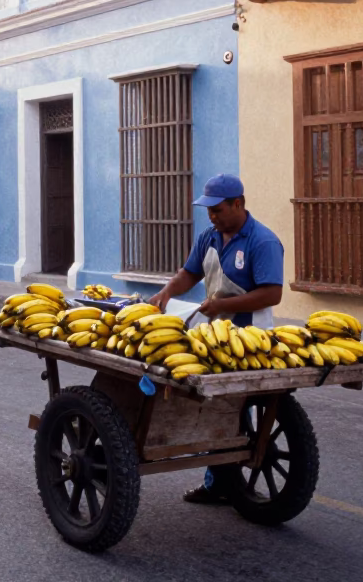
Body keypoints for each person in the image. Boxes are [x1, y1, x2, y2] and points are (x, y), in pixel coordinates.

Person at [146, 174, 285, 506]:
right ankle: (220, 480)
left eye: (218, 210)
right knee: (215, 404)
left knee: (235, 405)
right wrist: (167, 290)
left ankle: (222, 480)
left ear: (238, 204)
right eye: (208, 210)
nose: (212, 216)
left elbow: (272, 294)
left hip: (250, 337)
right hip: (213, 333)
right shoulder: (209, 236)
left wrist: (222, 305)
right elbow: (190, 273)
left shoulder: (262, 241)